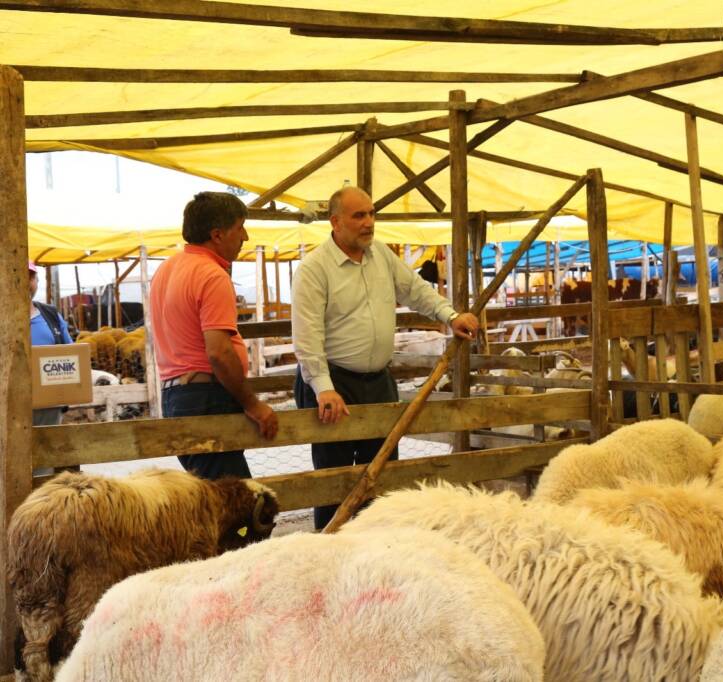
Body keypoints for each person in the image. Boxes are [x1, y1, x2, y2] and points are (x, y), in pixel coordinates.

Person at [292, 186, 479, 530]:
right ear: (335, 222)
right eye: (358, 216)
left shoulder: (381, 256)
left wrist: (450, 316)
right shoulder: (314, 269)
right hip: (334, 383)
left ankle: (376, 546)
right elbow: (307, 336)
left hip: (377, 381)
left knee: (381, 471)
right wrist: (323, 387)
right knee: (333, 478)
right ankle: (329, 549)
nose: (368, 223)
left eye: (371, 214)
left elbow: (415, 290)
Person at [150, 192, 279, 480]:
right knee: (239, 507)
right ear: (217, 234)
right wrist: (252, 404)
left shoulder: (167, 268)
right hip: (206, 398)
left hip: (176, 396)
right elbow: (219, 353)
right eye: (240, 227)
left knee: (214, 498)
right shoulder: (212, 275)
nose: (245, 236)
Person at [29, 261, 74, 427]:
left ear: (37, 282)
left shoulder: (51, 315)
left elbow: (71, 355)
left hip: (48, 406)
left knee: (48, 449)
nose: (25, 282)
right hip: (7, 404)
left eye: (31, 277)